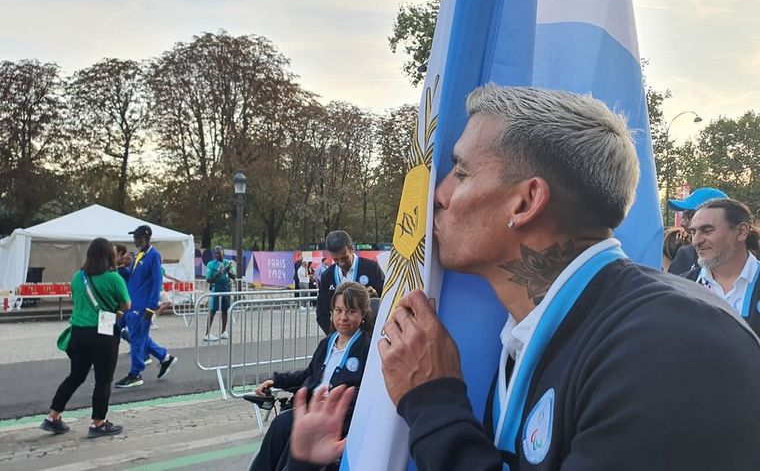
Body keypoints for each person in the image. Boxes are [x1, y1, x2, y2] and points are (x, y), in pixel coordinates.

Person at [287, 85, 760, 470]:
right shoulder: (534, 332)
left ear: (526, 202)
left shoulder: (671, 347)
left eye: (461, 170)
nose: (438, 193)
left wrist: (432, 401)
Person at [250, 282, 373, 471]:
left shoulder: (367, 348)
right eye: (338, 310)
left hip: (337, 415)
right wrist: (277, 380)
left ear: (363, 314)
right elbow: (309, 374)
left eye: (350, 311)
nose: (343, 317)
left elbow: (368, 390)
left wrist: (335, 399)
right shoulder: (327, 343)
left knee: (298, 436)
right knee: (279, 424)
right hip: (309, 406)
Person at [41, 238, 129, 438]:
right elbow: (126, 305)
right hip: (103, 333)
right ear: (110, 255)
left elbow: (76, 300)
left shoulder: (77, 277)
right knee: (103, 380)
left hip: (78, 333)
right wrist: (116, 312)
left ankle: (53, 416)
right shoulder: (114, 278)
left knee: (76, 376)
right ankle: (98, 423)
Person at [683, 198, 760, 335]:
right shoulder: (681, 287)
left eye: (707, 231)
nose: (696, 241)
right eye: (693, 232)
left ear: (742, 232)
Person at [115, 225, 177, 388]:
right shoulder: (139, 255)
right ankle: (164, 357)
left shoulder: (154, 256)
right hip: (133, 304)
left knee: (136, 338)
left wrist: (151, 308)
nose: (134, 241)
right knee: (137, 336)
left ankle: (135, 374)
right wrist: (122, 267)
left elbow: (157, 282)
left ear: (145, 238)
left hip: (142, 306)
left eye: (137, 238)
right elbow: (132, 278)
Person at [316, 231, 385, 334]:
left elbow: (386, 302)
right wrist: (334, 335)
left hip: (368, 337)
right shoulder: (327, 276)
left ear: (352, 249)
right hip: (341, 339)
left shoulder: (372, 268)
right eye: (336, 260)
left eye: (345, 258)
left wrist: (375, 296)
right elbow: (322, 313)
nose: (341, 263)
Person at [666, 187, 727, 274]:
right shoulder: (686, 254)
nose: (682, 223)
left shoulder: (749, 266)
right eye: (683, 215)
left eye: (689, 215)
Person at [204, 245, 236, 341]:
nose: (217, 255)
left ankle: (223, 331)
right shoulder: (211, 264)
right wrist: (218, 275)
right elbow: (208, 279)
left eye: (219, 253)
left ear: (223, 253)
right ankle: (207, 333)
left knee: (225, 309)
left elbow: (234, 276)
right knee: (213, 310)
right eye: (216, 253)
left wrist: (228, 272)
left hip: (226, 287)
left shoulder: (228, 263)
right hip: (216, 288)